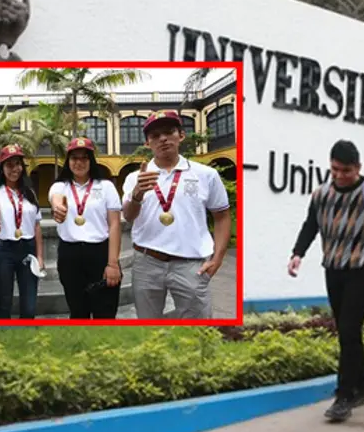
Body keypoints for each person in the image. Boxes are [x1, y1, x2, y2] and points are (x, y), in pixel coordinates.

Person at [288, 139, 364, 423]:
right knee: (348, 331)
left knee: (348, 328)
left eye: (346, 170)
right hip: (333, 268)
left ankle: (343, 396)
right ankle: (361, 386)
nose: (339, 175)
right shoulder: (321, 193)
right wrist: (297, 253)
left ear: (358, 167)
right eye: (335, 169)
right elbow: (311, 224)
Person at [122, 111, 231, 319]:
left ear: (181, 135)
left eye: (168, 132)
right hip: (147, 262)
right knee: (148, 326)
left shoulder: (205, 175)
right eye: (155, 136)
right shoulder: (135, 178)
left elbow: (222, 216)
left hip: (191, 263)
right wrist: (137, 194)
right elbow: (128, 216)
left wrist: (217, 258)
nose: (163, 139)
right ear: (147, 143)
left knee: (198, 328)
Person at [48, 137, 123, 319]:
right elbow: (55, 197)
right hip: (70, 256)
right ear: (68, 162)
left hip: (100, 253)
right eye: (74, 158)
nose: (79, 163)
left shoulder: (106, 187)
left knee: (105, 312)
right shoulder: (61, 186)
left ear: (91, 161)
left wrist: (112, 264)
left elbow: (114, 224)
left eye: (84, 158)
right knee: (77, 311)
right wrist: (58, 207)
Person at [0, 144, 44, 319]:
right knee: (4, 304)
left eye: (18, 163)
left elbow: (37, 226)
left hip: (28, 250)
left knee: (29, 307)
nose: (14, 169)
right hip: (4, 251)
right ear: (2, 168)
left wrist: (40, 257)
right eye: (9, 164)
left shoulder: (30, 194)